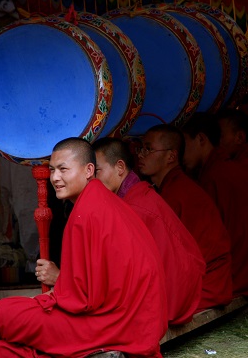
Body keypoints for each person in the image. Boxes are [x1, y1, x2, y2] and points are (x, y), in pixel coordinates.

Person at [0, 137, 168, 358]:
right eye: (51, 170)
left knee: (0, 314)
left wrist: (47, 298)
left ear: (89, 170)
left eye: (63, 169)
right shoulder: (102, 201)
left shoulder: (85, 212)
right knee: (0, 351)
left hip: (111, 323)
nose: (55, 178)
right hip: (136, 322)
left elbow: (80, 300)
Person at [91, 137, 205, 324]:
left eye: (97, 171)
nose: (92, 179)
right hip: (182, 290)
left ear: (120, 168)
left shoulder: (135, 207)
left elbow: (123, 275)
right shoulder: (137, 194)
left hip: (170, 300)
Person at [137, 124, 233, 311]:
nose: (141, 154)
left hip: (207, 285)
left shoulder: (177, 193)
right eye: (141, 148)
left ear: (171, 156)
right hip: (210, 281)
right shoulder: (171, 188)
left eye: (148, 149)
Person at [182, 112, 248, 297]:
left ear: (201, 139)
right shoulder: (230, 168)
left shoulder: (215, 176)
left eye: (184, 144)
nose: (180, 154)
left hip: (235, 273)